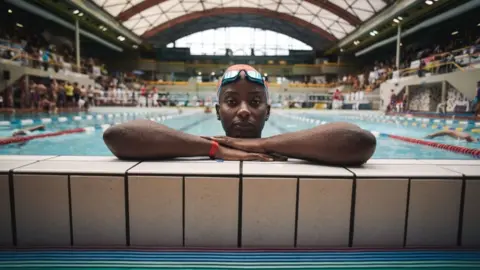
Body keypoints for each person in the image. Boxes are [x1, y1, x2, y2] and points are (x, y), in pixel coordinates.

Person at [103, 64, 376, 165]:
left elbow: (360, 141)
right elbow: (117, 135)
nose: (244, 111)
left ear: (268, 112)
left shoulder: (288, 149)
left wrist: (260, 145)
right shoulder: (197, 147)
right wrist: (213, 148)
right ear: (217, 111)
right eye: (232, 101)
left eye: (255, 101)